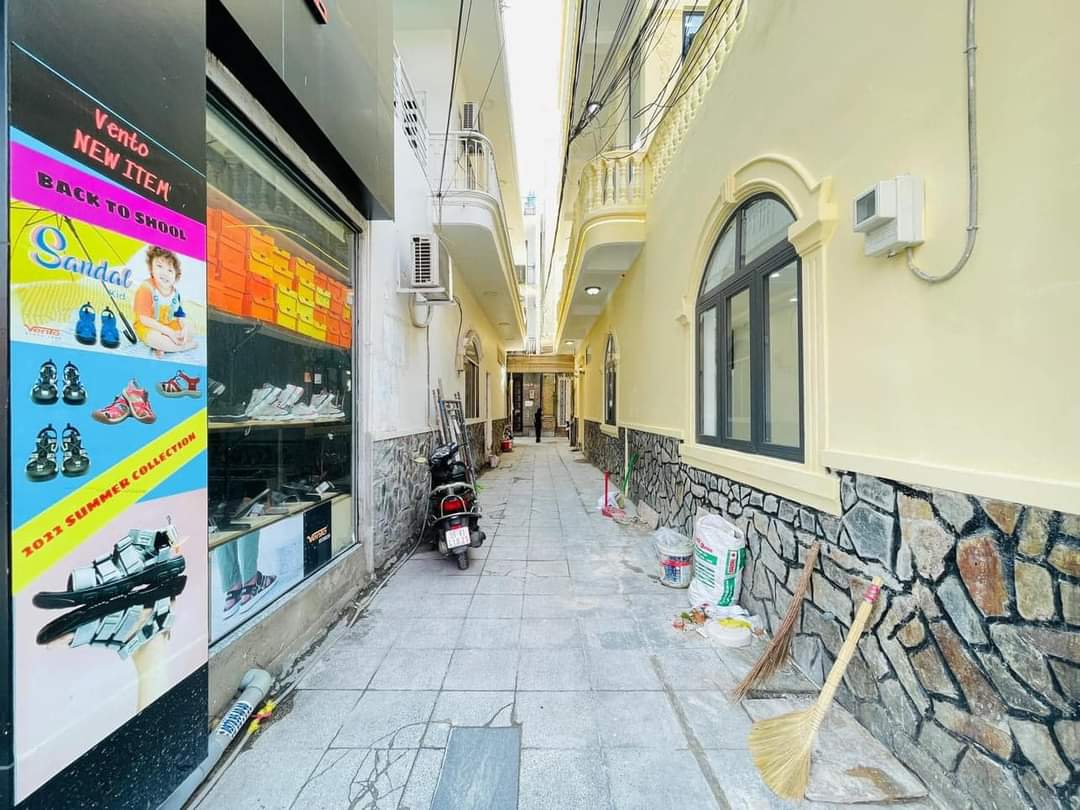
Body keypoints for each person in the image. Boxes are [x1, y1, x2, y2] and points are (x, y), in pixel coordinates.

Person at [133, 246, 197, 358]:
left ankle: (164, 346)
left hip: (168, 324)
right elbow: (144, 319)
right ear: (151, 268)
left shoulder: (175, 294)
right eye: (159, 266)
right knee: (155, 338)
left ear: (176, 276)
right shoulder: (146, 288)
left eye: (170, 270)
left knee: (190, 330)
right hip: (148, 325)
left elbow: (180, 316)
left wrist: (185, 329)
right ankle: (181, 346)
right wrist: (169, 333)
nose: (165, 273)